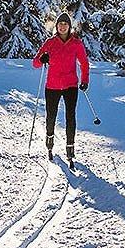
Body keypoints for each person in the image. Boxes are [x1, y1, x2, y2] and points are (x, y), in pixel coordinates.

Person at [33, 13, 90, 164]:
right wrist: (42, 58)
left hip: (71, 85)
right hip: (52, 86)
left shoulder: (76, 43)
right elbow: (35, 63)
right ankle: (49, 140)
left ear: (69, 27)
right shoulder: (50, 42)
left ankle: (70, 148)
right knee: (51, 116)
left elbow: (84, 63)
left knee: (70, 117)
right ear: (56, 26)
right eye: (60, 24)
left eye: (65, 24)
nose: (62, 26)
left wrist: (84, 80)